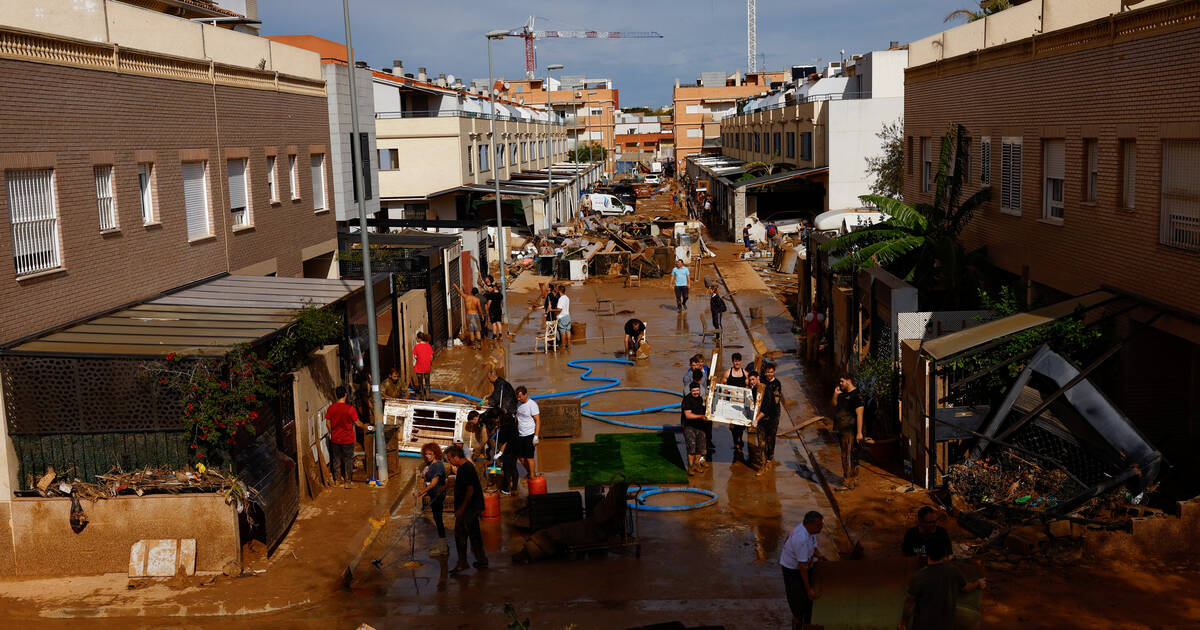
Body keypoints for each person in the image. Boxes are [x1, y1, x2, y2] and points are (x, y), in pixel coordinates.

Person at [899, 538, 986, 630]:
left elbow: (909, 604)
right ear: (945, 554)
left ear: (927, 554)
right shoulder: (953, 571)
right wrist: (977, 583)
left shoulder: (919, 576)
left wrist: (903, 623)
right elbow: (966, 588)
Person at [445, 445, 488, 574]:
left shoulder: (466, 469)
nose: (449, 462)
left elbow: (470, 490)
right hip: (471, 507)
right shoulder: (464, 468)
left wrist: (461, 509)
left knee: (461, 535)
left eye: (449, 459)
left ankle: (463, 563)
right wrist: (444, 487)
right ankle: (481, 560)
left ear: (456, 457)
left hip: (469, 508)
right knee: (474, 535)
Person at [781, 510, 825, 629]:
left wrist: (819, 555)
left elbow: (813, 547)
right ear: (809, 524)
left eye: (821, 524)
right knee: (797, 599)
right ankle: (798, 622)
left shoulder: (810, 532)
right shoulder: (801, 539)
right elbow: (802, 567)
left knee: (807, 600)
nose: (821, 527)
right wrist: (808, 589)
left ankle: (806, 617)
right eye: (819, 525)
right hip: (792, 570)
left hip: (803, 564)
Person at [325, 385, 369, 489]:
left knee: (336, 459)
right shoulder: (350, 409)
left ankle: (337, 480)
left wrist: (333, 433)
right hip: (347, 439)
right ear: (345, 395)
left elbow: (327, 423)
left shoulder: (331, 408)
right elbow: (357, 423)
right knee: (348, 459)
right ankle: (348, 482)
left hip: (335, 439)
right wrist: (365, 426)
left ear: (336, 395)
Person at [414, 443, 449, 557]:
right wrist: (420, 475)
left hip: (438, 495)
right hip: (433, 494)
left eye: (430, 454)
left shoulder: (438, 465)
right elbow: (427, 476)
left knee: (438, 520)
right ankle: (442, 544)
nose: (428, 456)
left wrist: (421, 492)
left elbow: (433, 483)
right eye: (426, 454)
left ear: (435, 453)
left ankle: (443, 548)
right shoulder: (430, 465)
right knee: (436, 518)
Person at [832, 374, 865, 491]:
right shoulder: (843, 394)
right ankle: (853, 480)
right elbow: (834, 405)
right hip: (842, 429)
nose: (840, 384)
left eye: (842, 381)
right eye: (840, 382)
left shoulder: (857, 396)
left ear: (849, 380)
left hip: (851, 430)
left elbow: (860, 415)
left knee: (847, 455)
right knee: (850, 455)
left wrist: (859, 432)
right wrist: (835, 395)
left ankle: (848, 481)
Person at [756, 363, 785, 468]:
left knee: (771, 437)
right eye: (768, 372)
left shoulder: (777, 384)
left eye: (771, 372)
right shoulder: (762, 381)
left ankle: (770, 457)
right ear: (765, 372)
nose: (769, 374)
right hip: (762, 413)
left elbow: (776, 401)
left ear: (774, 372)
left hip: (773, 414)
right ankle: (763, 458)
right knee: (761, 438)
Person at [721, 353, 750, 457]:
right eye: (735, 361)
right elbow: (722, 387)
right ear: (732, 361)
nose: (737, 363)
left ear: (741, 361)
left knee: (741, 425)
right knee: (733, 426)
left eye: (738, 361)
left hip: (741, 404)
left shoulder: (745, 373)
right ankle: (736, 442)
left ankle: (740, 439)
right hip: (731, 403)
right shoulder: (728, 373)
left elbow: (749, 388)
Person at [680, 380, 707, 475]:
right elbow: (688, 415)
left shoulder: (700, 399)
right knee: (691, 448)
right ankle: (691, 467)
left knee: (700, 448)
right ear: (690, 391)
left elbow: (704, 410)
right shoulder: (687, 400)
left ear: (700, 390)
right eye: (694, 391)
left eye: (697, 390)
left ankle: (697, 464)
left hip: (700, 426)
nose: (696, 392)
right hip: (689, 426)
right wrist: (700, 416)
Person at [514, 386, 541, 480]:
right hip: (520, 434)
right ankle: (530, 472)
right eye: (517, 397)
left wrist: (536, 436)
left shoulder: (532, 405)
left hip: (530, 434)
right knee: (521, 458)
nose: (519, 398)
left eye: (520, 396)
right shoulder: (518, 404)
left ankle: (532, 477)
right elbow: (517, 419)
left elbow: (538, 421)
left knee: (529, 458)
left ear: (526, 394)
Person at [454, 284, 484, 348]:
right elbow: (480, 308)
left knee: (471, 331)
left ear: (471, 292)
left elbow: (460, 292)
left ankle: (473, 345)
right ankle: (478, 345)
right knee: (477, 330)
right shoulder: (477, 299)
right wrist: (482, 315)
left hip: (469, 315)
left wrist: (455, 286)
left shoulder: (466, 297)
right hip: (475, 315)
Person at [412, 332, 434, 400]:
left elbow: (415, 357)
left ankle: (422, 395)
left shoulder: (416, 346)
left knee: (420, 382)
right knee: (427, 381)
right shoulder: (428, 346)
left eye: (417, 338)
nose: (416, 339)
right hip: (427, 367)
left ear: (419, 339)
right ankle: (428, 395)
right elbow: (431, 357)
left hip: (419, 367)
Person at [551, 284, 572, 349]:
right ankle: (568, 345)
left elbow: (559, 309)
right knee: (568, 331)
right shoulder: (567, 298)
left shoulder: (561, 299)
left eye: (557, 291)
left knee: (562, 332)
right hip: (567, 316)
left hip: (562, 317)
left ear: (559, 291)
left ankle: (563, 346)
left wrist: (551, 310)